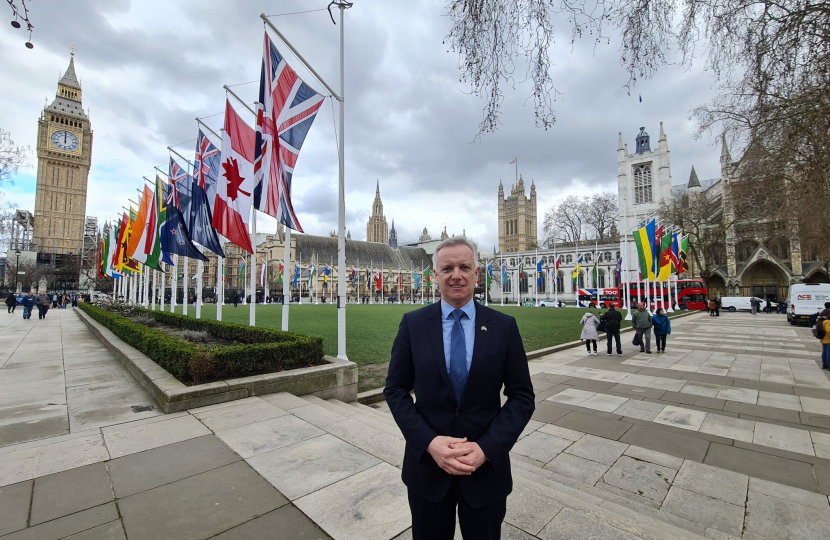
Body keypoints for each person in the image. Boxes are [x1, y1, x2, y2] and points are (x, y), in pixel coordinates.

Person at [385, 237, 535, 540]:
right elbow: (396, 390)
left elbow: (522, 397)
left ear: (476, 274)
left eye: (465, 267)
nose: (457, 274)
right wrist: (429, 443)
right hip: (427, 471)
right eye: (448, 268)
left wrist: (486, 449)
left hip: (485, 472)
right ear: (435, 276)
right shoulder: (413, 325)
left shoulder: (504, 327)